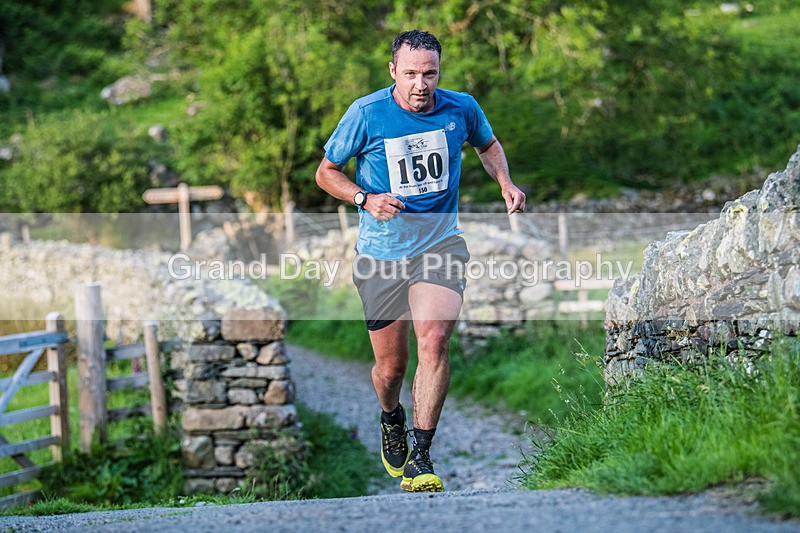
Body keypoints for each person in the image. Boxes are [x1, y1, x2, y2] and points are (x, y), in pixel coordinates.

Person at [315, 29, 525, 493]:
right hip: (382, 254)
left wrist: (504, 182)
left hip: (440, 245)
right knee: (390, 369)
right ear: (393, 71)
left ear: (439, 72)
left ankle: (422, 456)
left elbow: (487, 146)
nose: (420, 83)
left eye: (429, 73)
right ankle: (391, 417)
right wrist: (364, 198)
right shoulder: (366, 113)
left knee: (434, 343)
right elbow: (325, 172)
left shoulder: (461, 107)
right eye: (410, 73)